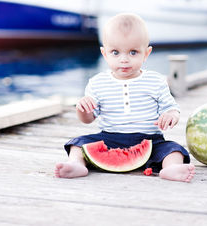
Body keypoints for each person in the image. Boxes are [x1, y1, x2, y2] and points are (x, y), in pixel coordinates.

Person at [55, 13, 195, 182]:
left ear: (146, 53)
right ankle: (76, 164)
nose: (124, 60)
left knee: (174, 149)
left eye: (133, 52)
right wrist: (82, 109)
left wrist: (171, 115)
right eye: (115, 52)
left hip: (150, 140)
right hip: (109, 138)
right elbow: (88, 119)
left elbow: (171, 108)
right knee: (77, 144)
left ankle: (171, 169)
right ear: (104, 53)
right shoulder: (97, 83)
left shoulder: (156, 81)